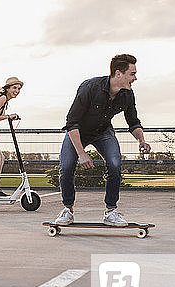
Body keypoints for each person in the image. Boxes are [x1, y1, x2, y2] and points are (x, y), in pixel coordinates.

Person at [54, 54, 151, 226]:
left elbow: (133, 122)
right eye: (132, 74)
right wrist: (82, 153)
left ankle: (111, 212)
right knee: (67, 166)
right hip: (78, 132)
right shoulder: (90, 87)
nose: (135, 78)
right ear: (118, 73)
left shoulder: (127, 95)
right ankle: (67, 210)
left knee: (114, 164)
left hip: (103, 132)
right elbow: (71, 122)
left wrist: (141, 141)